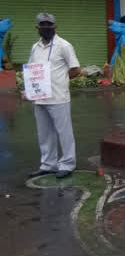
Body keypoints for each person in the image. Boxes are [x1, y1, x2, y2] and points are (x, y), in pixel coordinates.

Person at [27, 12, 81, 179]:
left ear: (54, 27)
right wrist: (29, 90)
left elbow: (75, 69)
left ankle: (67, 164)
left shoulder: (64, 45)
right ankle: (48, 164)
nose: (46, 28)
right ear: (37, 28)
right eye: (42, 26)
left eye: (49, 25)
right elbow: (31, 70)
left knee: (64, 132)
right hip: (40, 97)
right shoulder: (35, 48)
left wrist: (61, 80)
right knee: (44, 133)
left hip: (58, 97)